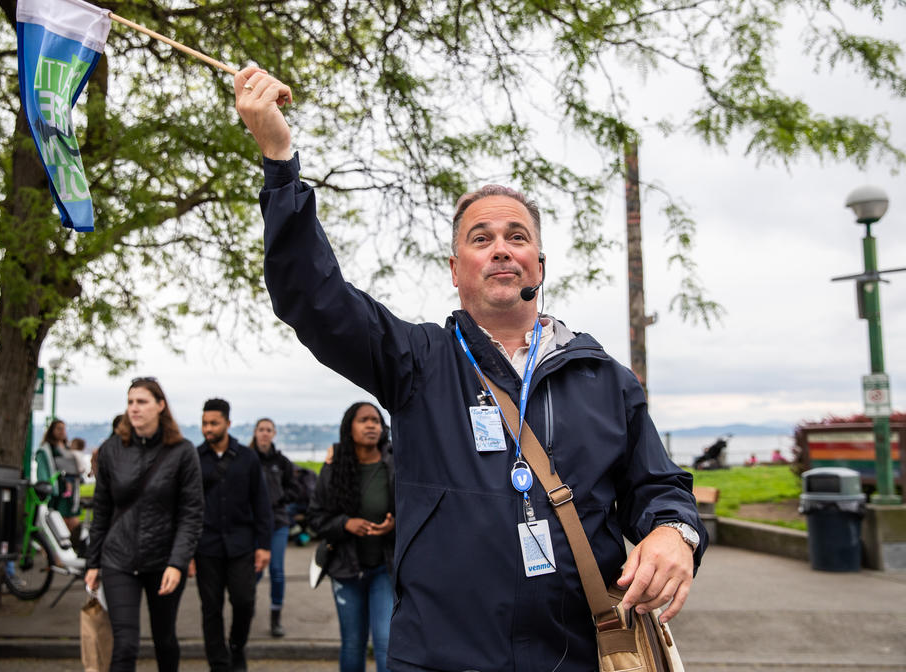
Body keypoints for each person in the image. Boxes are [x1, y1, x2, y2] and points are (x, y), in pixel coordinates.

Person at [235, 66, 706, 672]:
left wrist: (675, 532)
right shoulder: (416, 362)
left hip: (577, 656)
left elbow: (660, 487)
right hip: (439, 657)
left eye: (517, 236)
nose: (501, 247)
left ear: (538, 264)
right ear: (456, 269)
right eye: (480, 238)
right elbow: (312, 296)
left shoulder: (604, 379)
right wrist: (279, 159)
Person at [84, 378, 203, 672]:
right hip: (119, 558)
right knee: (125, 644)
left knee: (164, 639)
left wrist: (178, 562)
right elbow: (102, 510)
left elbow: (192, 513)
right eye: (130, 402)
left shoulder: (183, 451)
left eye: (142, 402)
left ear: (160, 406)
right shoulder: (112, 449)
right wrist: (93, 562)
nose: (134, 408)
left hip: (163, 561)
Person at [308, 402, 395, 672]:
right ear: (349, 427)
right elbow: (316, 518)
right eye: (363, 420)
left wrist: (395, 524)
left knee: (385, 641)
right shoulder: (334, 468)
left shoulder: (396, 464)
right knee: (353, 643)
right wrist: (346, 524)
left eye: (376, 420)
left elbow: (418, 508)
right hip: (346, 569)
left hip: (385, 567)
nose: (371, 425)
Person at [193, 399, 273, 672]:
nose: (208, 428)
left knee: (244, 601)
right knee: (211, 608)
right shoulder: (195, 457)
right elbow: (187, 506)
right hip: (205, 546)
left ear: (228, 423)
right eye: (204, 423)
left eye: (214, 423)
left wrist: (264, 546)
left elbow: (261, 502)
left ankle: (237, 648)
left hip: (241, 544)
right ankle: (218, 663)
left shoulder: (247, 458)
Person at [249, 417, 297, 637]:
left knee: (276, 571)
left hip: (278, 522)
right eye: (261, 429)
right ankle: (246, 610)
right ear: (255, 432)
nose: (265, 433)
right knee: (254, 571)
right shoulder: (247, 459)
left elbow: (295, 489)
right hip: (252, 524)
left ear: (274, 433)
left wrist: (279, 498)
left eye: (269, 430)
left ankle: (275, 618)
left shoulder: (282, 462)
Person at [40, 419, 81, 532]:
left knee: (73, 520)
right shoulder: (48, 449)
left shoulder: (68, 448)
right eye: (59, 428)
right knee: (58, 520)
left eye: (63, 429)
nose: (62, 431)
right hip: (58, 488)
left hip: (71, 488)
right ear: (52, 430)